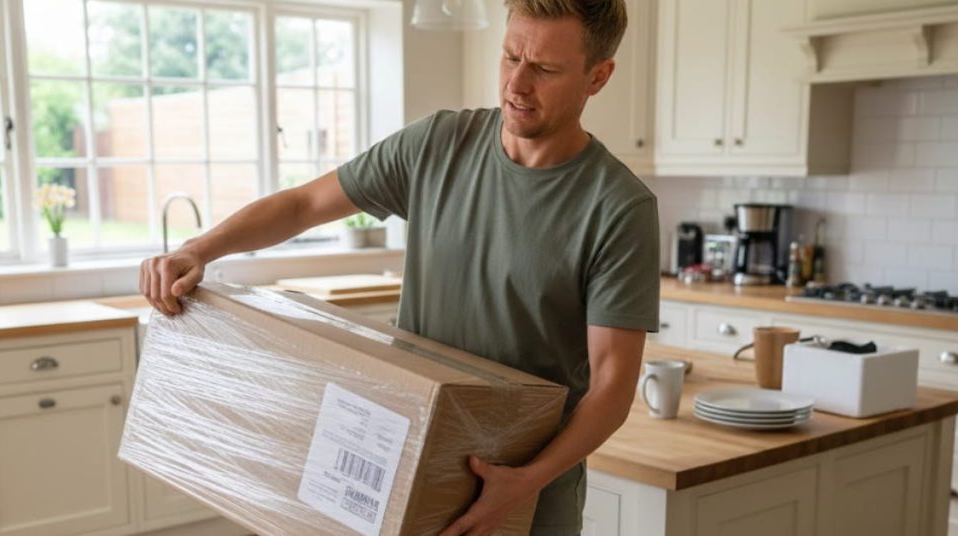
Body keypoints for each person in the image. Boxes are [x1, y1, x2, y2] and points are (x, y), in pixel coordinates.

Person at [139, 0, 658, 534]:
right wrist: (199, 249)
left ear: (598, 77)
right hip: (403, 469)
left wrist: (524, 481)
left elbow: (613, 386)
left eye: (545, 69)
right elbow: (304, 205)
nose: (516, 84)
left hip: (523, 500)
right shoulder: (439, 145)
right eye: (509, 57)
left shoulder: (618, 208)